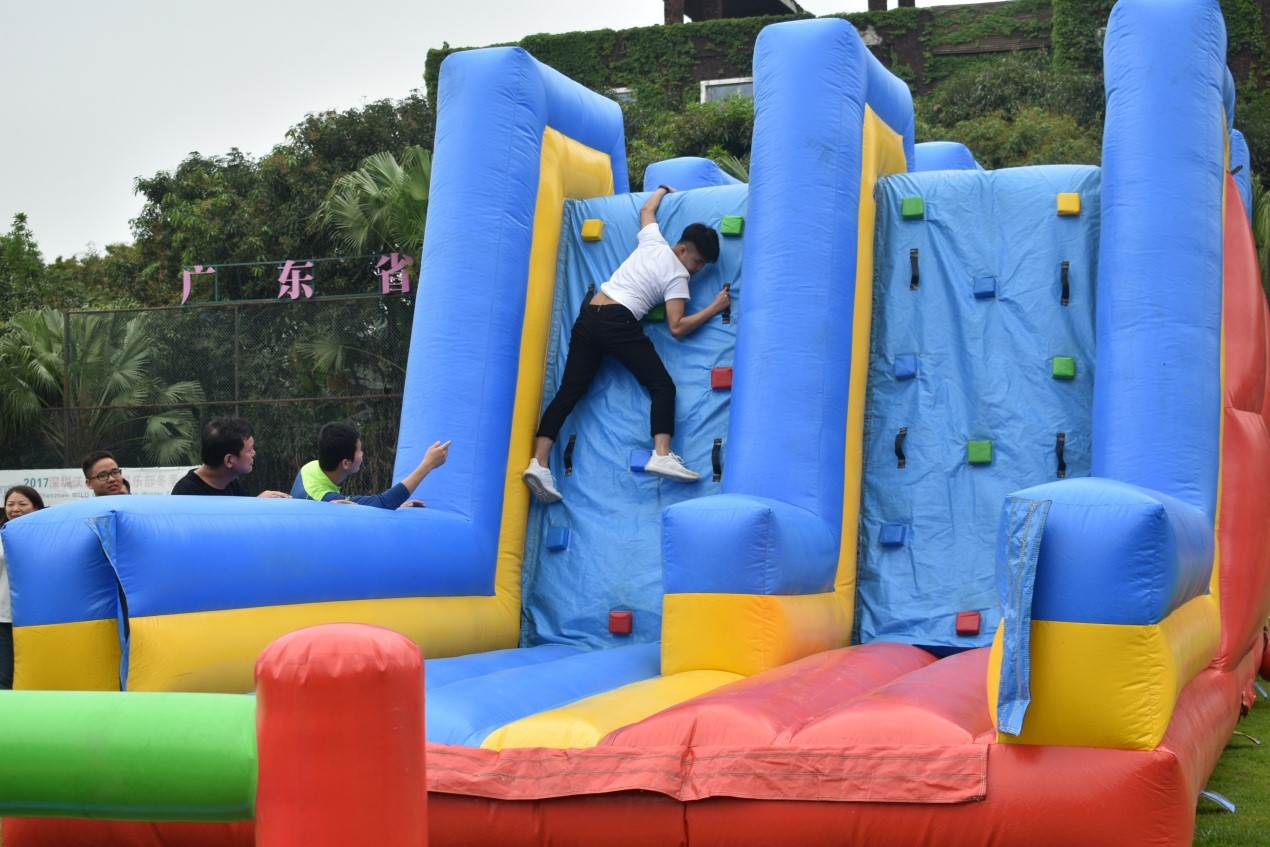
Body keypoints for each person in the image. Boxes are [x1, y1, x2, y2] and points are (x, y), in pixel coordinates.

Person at [522, 185, 728, 503]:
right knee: (662, 385)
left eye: (704, 266)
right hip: (618, 321)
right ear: (682, 250)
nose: (698, 269)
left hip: (589, 316)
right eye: (698, 261)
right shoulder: (679, 276)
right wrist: (715, 307)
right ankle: (661, 453)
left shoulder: (653, 241)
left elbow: (646, 211)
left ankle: (539, 463)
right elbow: (676, 327)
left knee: (569, 392)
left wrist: (662, 189)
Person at [291, 421, 450, 508]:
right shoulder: (325, 500)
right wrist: (428, 464)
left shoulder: (311, 467)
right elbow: (383, 502)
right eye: (359, 451)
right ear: (345, 463)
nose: (362, 454)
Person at [171, 416, 291, 498]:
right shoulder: (186, 493)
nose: (254, 453)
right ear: (229, 460)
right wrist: (256, 504)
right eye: (249, 449)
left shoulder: (230, 483)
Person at [0, 485, 46, 689]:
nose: (15, 509)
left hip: (39, 618)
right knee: (4, 675)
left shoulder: (48, 536)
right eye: (10, 504)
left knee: (37, 672)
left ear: (36, 507)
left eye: (22, 504)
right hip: (4, 617)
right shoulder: (1, 536)